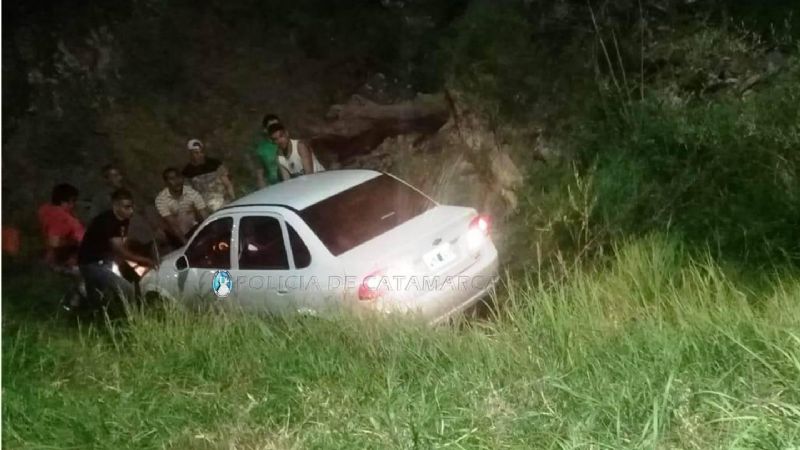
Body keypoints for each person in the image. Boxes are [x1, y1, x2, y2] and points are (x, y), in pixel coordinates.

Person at [78, 188, 155, 309]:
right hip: (92, 263)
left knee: (99, 297)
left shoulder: (123, 219)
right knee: (126, 290)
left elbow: (122, 243)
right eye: (127, 207)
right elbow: (119, 249)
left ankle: (94, 314)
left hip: (106, 260)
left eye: (131, 207)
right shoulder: (107, 221)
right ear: (116, 206)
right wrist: (143, 260)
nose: (131, 211)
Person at [38, 183, 85, 273]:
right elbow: (54, 242)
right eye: (73, 201)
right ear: (65, 202)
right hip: (64, 254)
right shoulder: (65, 219)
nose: (74, 204)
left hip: (49, 249)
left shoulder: (44, 209)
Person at [155, 167, 208, 248]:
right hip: (175, 235)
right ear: (166, 182)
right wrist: (185, 242)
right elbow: (172, 223)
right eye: (172, 179)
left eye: (178, 177)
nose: (177, 181)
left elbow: (204, 214)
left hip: (193, 229)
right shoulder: (161, 199)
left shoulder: (192, 193)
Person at [182, 139, 235, 212]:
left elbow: (228, 184)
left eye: (200, 152)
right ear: (190, 154)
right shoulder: (187, 172)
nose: (199, 155)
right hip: (205, 208)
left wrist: (232, 199)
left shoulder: (215, 164)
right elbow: (190, 194)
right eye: (195, 153)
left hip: (223, 203)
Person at [253, 114, 283, 188]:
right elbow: (260, 175)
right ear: (265, 130)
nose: (275, 129)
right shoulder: (261, 150)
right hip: (274, 187)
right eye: (271, 127)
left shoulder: (287, 142)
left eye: (277, 125)